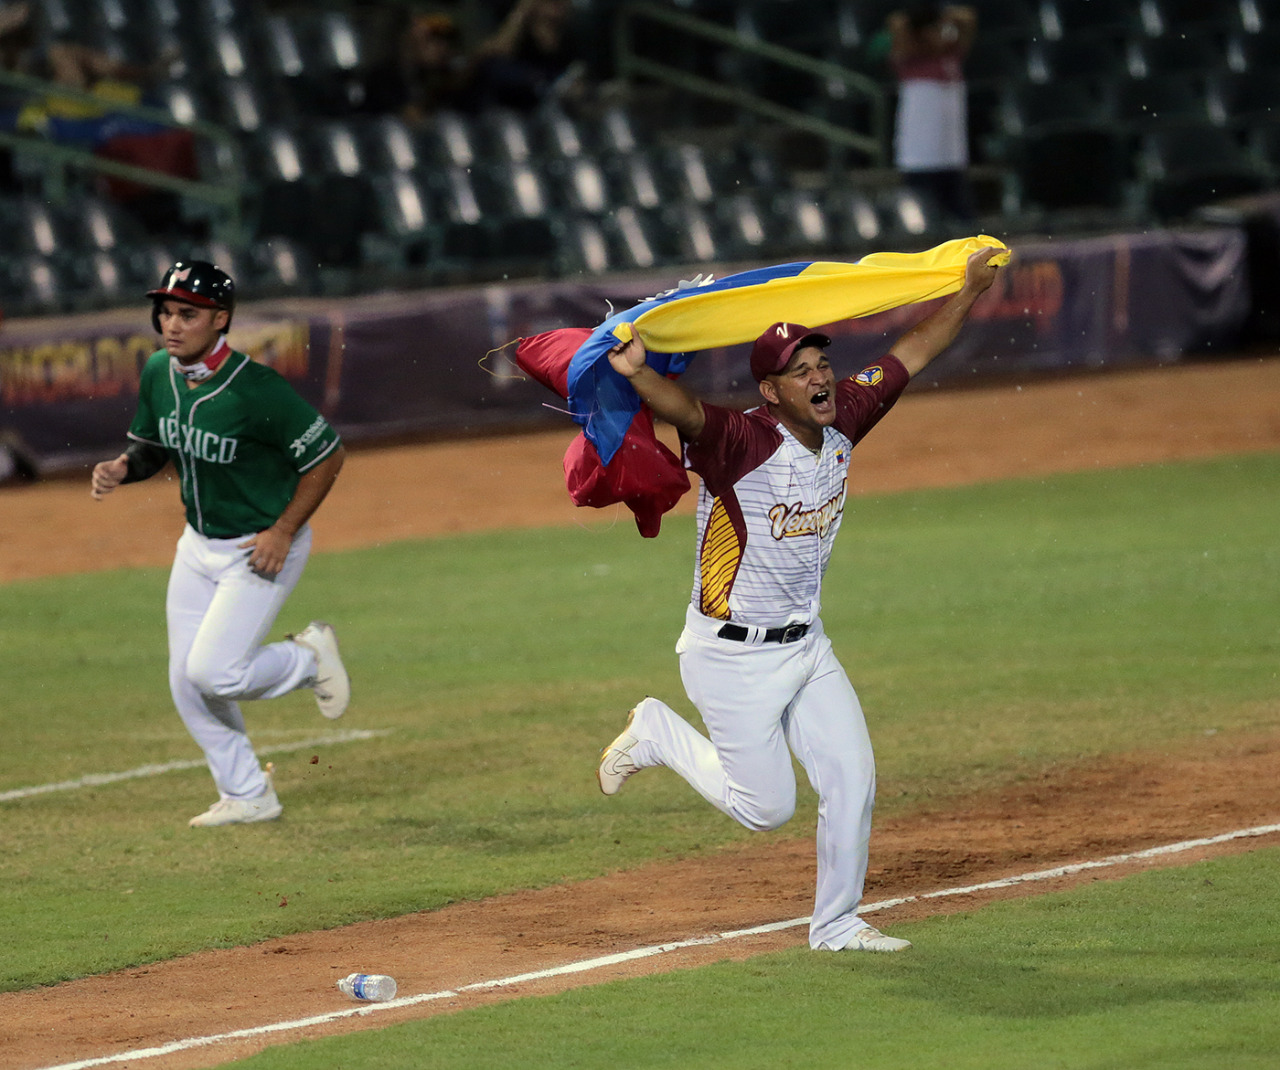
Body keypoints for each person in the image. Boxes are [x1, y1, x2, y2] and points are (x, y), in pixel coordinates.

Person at [596, 245, 1002, 952]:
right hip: (731, 658)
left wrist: (967, 291)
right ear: (771, 391)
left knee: (854, 778)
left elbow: (913, 351)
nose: (820, 378)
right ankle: (658, 731)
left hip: (807, 646)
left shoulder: (844, 416)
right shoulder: (741, 440)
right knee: (767, 810)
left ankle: (836, 925)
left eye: (822, 365)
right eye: (800, 371)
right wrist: (637, 376)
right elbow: (687, 411)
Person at [90, 260, 351, 828]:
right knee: (186, 680)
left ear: (221, 319)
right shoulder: (160, 372)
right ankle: (248, 793)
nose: (171, 324)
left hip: (256, 548)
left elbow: (327, 456)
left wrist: (283, 530)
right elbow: (152, 448)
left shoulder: (258, 389)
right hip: (197, 546)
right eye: (165, 311)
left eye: (188, 313)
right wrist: (121, 468)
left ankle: (307, 659)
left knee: (216, 673)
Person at [888, 3, 978, 222]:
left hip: (950, 147)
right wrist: (919, 18)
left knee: (955, 196)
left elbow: (968, 19)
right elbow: (897, 23)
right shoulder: (910, 55)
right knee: (924, 197)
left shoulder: (951, 52)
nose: (939, 35)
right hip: (921, 147)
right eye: (933, 31)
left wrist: (944, 17)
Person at [470, 0, 585, 110]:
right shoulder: (512, 38)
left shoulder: (569, 42)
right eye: (550, 2)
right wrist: (522, 14)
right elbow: (496, 53)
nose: (555, 12)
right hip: (503, 114)